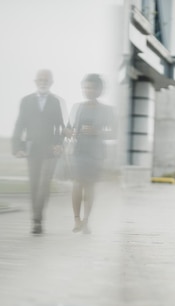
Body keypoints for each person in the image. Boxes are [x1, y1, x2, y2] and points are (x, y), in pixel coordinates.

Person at [11, 69, 66, 234]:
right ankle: (35, 219)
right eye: (40, 79)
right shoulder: (26, 101)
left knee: (44, 185)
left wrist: (59, 144)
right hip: (32, 149)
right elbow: (19, 125)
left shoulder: (55, 102)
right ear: (35, 81)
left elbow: (61, 127)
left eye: (46, 80)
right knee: (34, 185)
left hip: (50, 151)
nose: (43, 82)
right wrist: (17, 148)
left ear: (51, 82)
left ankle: (38, 220)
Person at [65, 73, 115, 234]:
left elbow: (115, 133)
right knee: (77, 183)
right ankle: (76, 219)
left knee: (90, 186)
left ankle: (86, 220)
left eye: (92, 88)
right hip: (79, 151)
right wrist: (70, 132)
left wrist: (97, 132)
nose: (89, 90)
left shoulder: (107, 111)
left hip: (96, 154)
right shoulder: (77, 107)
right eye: (86, 87)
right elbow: (67, 128)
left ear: (100, 90)